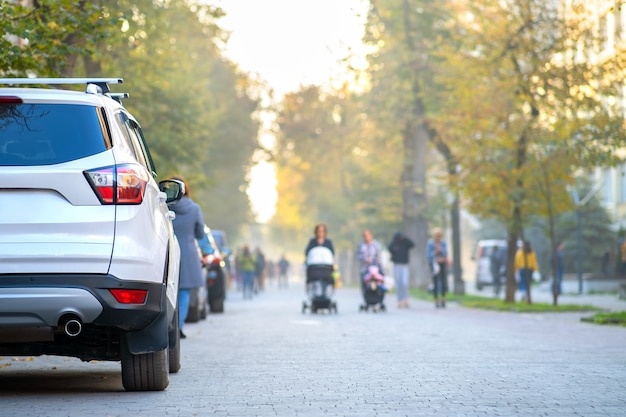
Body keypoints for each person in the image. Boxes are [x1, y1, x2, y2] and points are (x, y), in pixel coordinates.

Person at [168, 176, 206, 339]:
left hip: (168, 250)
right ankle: (179, 326)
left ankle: (167, 326)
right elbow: (200, 233)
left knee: (168, 290)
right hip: (188, 253)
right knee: (183, 292)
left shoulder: (164, 206)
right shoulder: (195, 208)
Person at [388, 231, 415, 308]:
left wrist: (405, 238)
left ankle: (406, 299)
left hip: (404, 265)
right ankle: (399, 300)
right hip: (396, 265)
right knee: (398, 283)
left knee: (404, 283)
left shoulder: (405, 242)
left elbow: (412, 244)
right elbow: (389, 248)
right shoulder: (394, 243)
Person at [427, 228, 448, 308]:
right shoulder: (430, 244)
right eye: (436, 236)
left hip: (442, 263)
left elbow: (446, 253)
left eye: (439, 236)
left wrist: (442, 254)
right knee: (435, 282)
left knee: (443, 281)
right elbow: (428, 255)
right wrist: (435, 253)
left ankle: (443, 299)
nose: (438, 238)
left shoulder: (443, 243)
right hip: (434, 264)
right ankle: (436, 300)